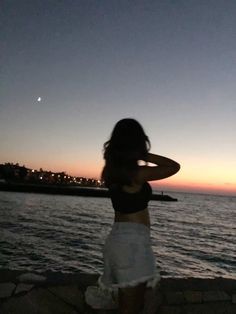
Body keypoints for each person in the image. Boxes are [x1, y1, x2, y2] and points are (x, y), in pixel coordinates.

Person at [99, 118, 180, 314]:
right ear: (137, 142)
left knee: (131, 304)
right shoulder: (136, 173)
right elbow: (173, 167)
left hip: (122, 239)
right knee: (131, 308)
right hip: (131, 244)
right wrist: (144, 154)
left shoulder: (112, 171)